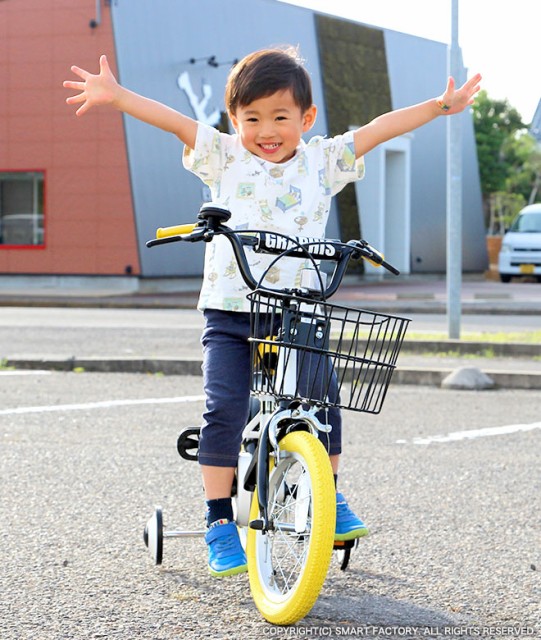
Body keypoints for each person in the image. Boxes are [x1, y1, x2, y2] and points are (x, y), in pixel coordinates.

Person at [64, 47, 481, 578]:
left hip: (297, 313)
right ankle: (218, 520)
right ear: (234, 119)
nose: (266, 130)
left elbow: (378, 128)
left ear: (305, 119)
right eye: (251, 118)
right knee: (225, 408)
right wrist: (118, 96)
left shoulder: (322, 162)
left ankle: (329, 494)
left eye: (280, 117)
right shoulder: (225, 157)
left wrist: (438, 107)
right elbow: (174, 122)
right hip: (231, 312)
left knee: (323, 401)